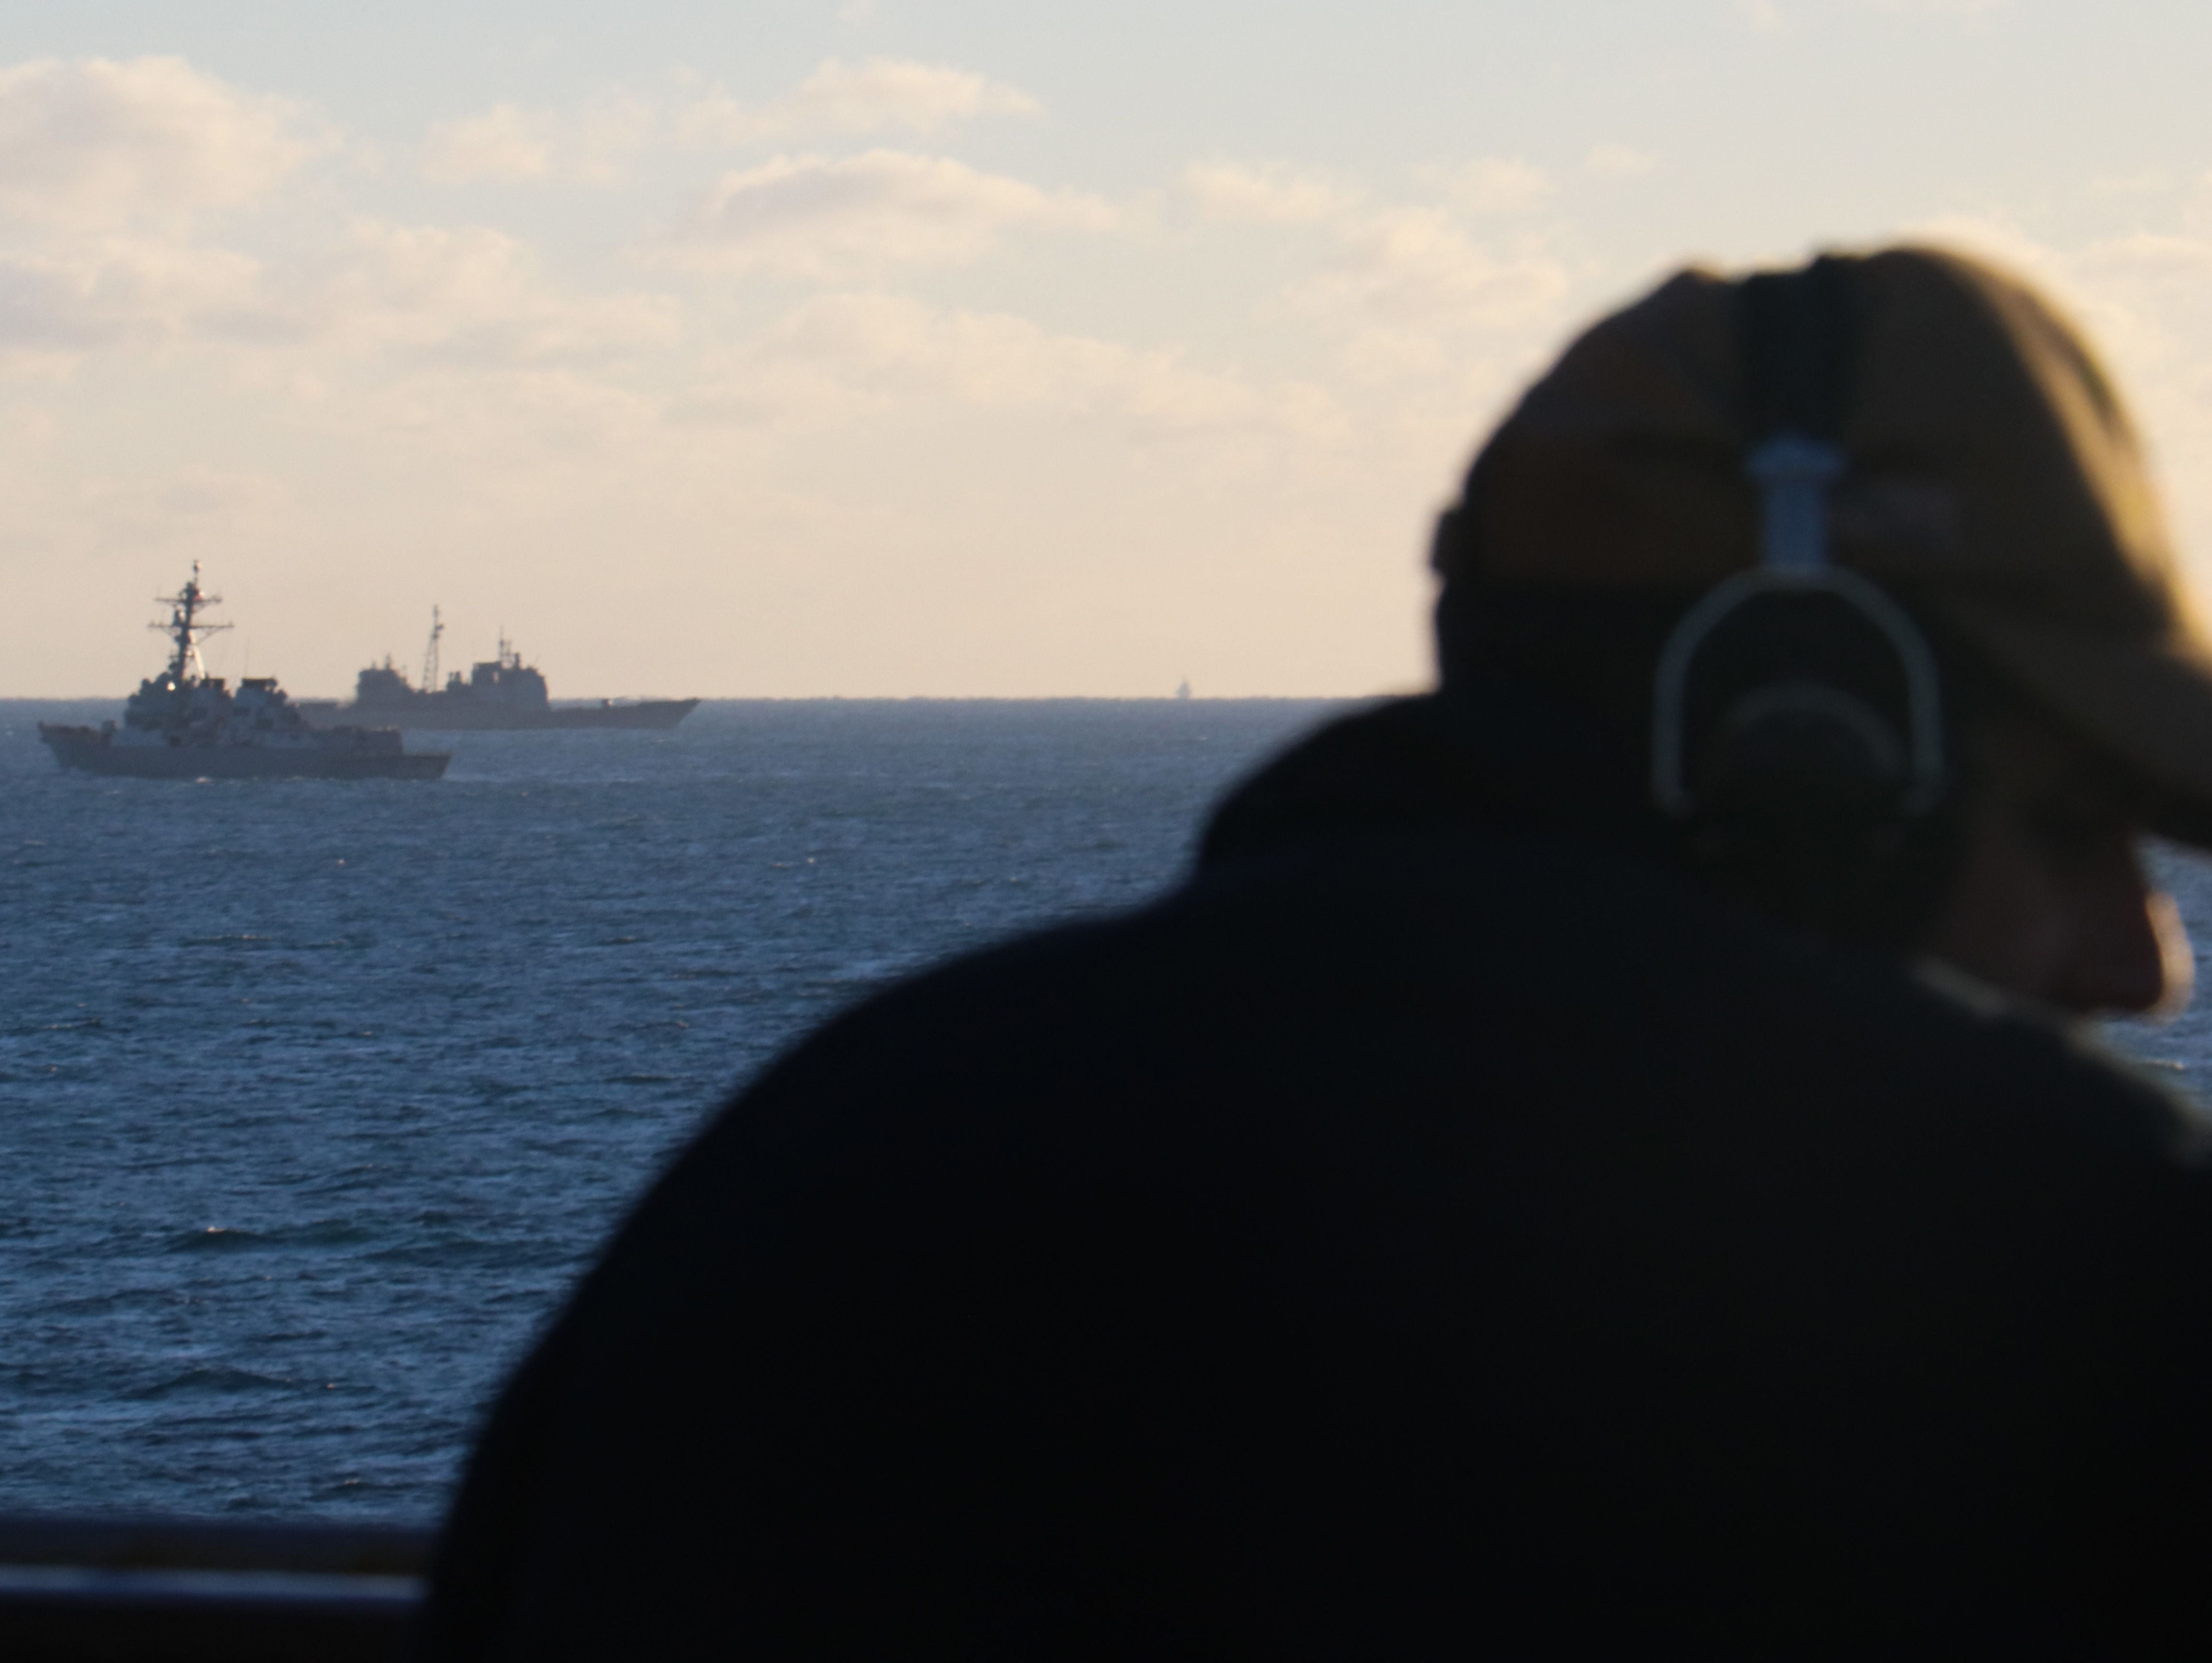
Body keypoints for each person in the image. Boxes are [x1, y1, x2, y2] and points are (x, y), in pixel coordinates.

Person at [418, 247, 2212, 1654]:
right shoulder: (2087, 1258)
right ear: (1803, 737)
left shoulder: (798, 1182)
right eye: (2068, 826)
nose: (2141, 963)